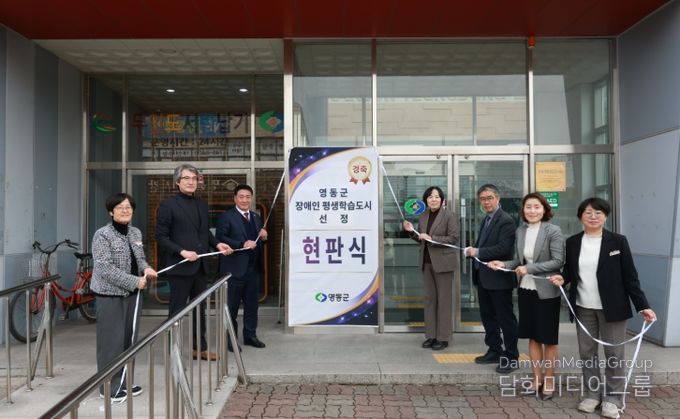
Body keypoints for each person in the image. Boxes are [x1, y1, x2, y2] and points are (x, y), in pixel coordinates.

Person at [551, 197, 656, 418]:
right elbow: (570, 270)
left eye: (598, 213)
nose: (593, 216)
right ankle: (592, 395)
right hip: (583, 307)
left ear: (605, 216)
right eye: (588, 212)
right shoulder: (573, 242)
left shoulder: (618, 241)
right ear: (581, 216)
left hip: (613, 308)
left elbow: (630, 277)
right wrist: (562, 278)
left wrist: (643, 306)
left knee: (614, 354)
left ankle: (613, 398)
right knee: (587, 353)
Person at [488, 193, 564, 399]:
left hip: (547, 292)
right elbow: (518, 261)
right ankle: (537, 378)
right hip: (526, 290)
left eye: (536, 207)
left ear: (544, 209)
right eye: (528, 207)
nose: (532, 211)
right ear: (523, 210)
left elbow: (558, 261)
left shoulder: (553, 230)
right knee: (533, 336)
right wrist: (503, 264)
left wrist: (529, 269)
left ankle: (549, 380)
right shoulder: (520, 230)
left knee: (548, 338)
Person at [155, 163, 233, 361]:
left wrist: (217, 244)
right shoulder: (168, 205)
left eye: (194, 178)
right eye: (186, 178)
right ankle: (173, 352)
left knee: (200, 309)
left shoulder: (201, 205)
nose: (191, 182)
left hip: (200, 267)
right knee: (176, 311)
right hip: (181, 268)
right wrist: (181, 252)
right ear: (177, 181)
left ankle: (200, 348)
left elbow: (204, 233)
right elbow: (161, 237)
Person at [91, 193, 157, 402]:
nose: (125, 210)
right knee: (111, 343)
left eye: (128, 207)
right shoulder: (102, 235)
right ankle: (108, 388)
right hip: (110, 295)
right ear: (111, 211)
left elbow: (140, 259)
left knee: (129, 341)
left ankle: (124, 382)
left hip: (133, 296)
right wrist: (133, 281)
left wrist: (146, 269)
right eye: (120, 207)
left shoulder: (135, 232)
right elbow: (104, 268)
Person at [463, 184, 518, 373]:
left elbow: (503, 248)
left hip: (499, 278)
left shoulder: (506, 220)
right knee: (488, 317)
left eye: (489, 198)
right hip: (484, 277)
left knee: (505, 318)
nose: (486, 202)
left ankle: (511, 356)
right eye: (482, 199)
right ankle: (494, 349)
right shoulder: (486, 219)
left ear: (498, 198)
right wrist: (473, 250)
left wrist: (477, 251)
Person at [403, 186, 459, 350]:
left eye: (437, 196)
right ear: (426, 200)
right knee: (429, 301)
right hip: (427, 263)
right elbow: (421, 238)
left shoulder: (449, 216)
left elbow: (453, 238)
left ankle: (443, 337)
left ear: (442, 200)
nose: (433, 199)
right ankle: (431, 335)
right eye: (430, 197)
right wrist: (411, 232)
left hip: (443, 263)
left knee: (444, 301)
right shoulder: (423, 216)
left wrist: (432, 237)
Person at [217, 184, 268, 349]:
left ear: (251, 199)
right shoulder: (226, 216)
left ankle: (250, 335)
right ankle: (230, 340)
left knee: (252, 305)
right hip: (234, 270)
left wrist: (264, 238)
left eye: (248, 197)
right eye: (241, 197)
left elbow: (257, 242)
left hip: (253, 270)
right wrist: (241, 243)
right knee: (231, 307)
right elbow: (221, 237)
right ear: (235, 198)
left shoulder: (256, 217)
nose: (245, 200)